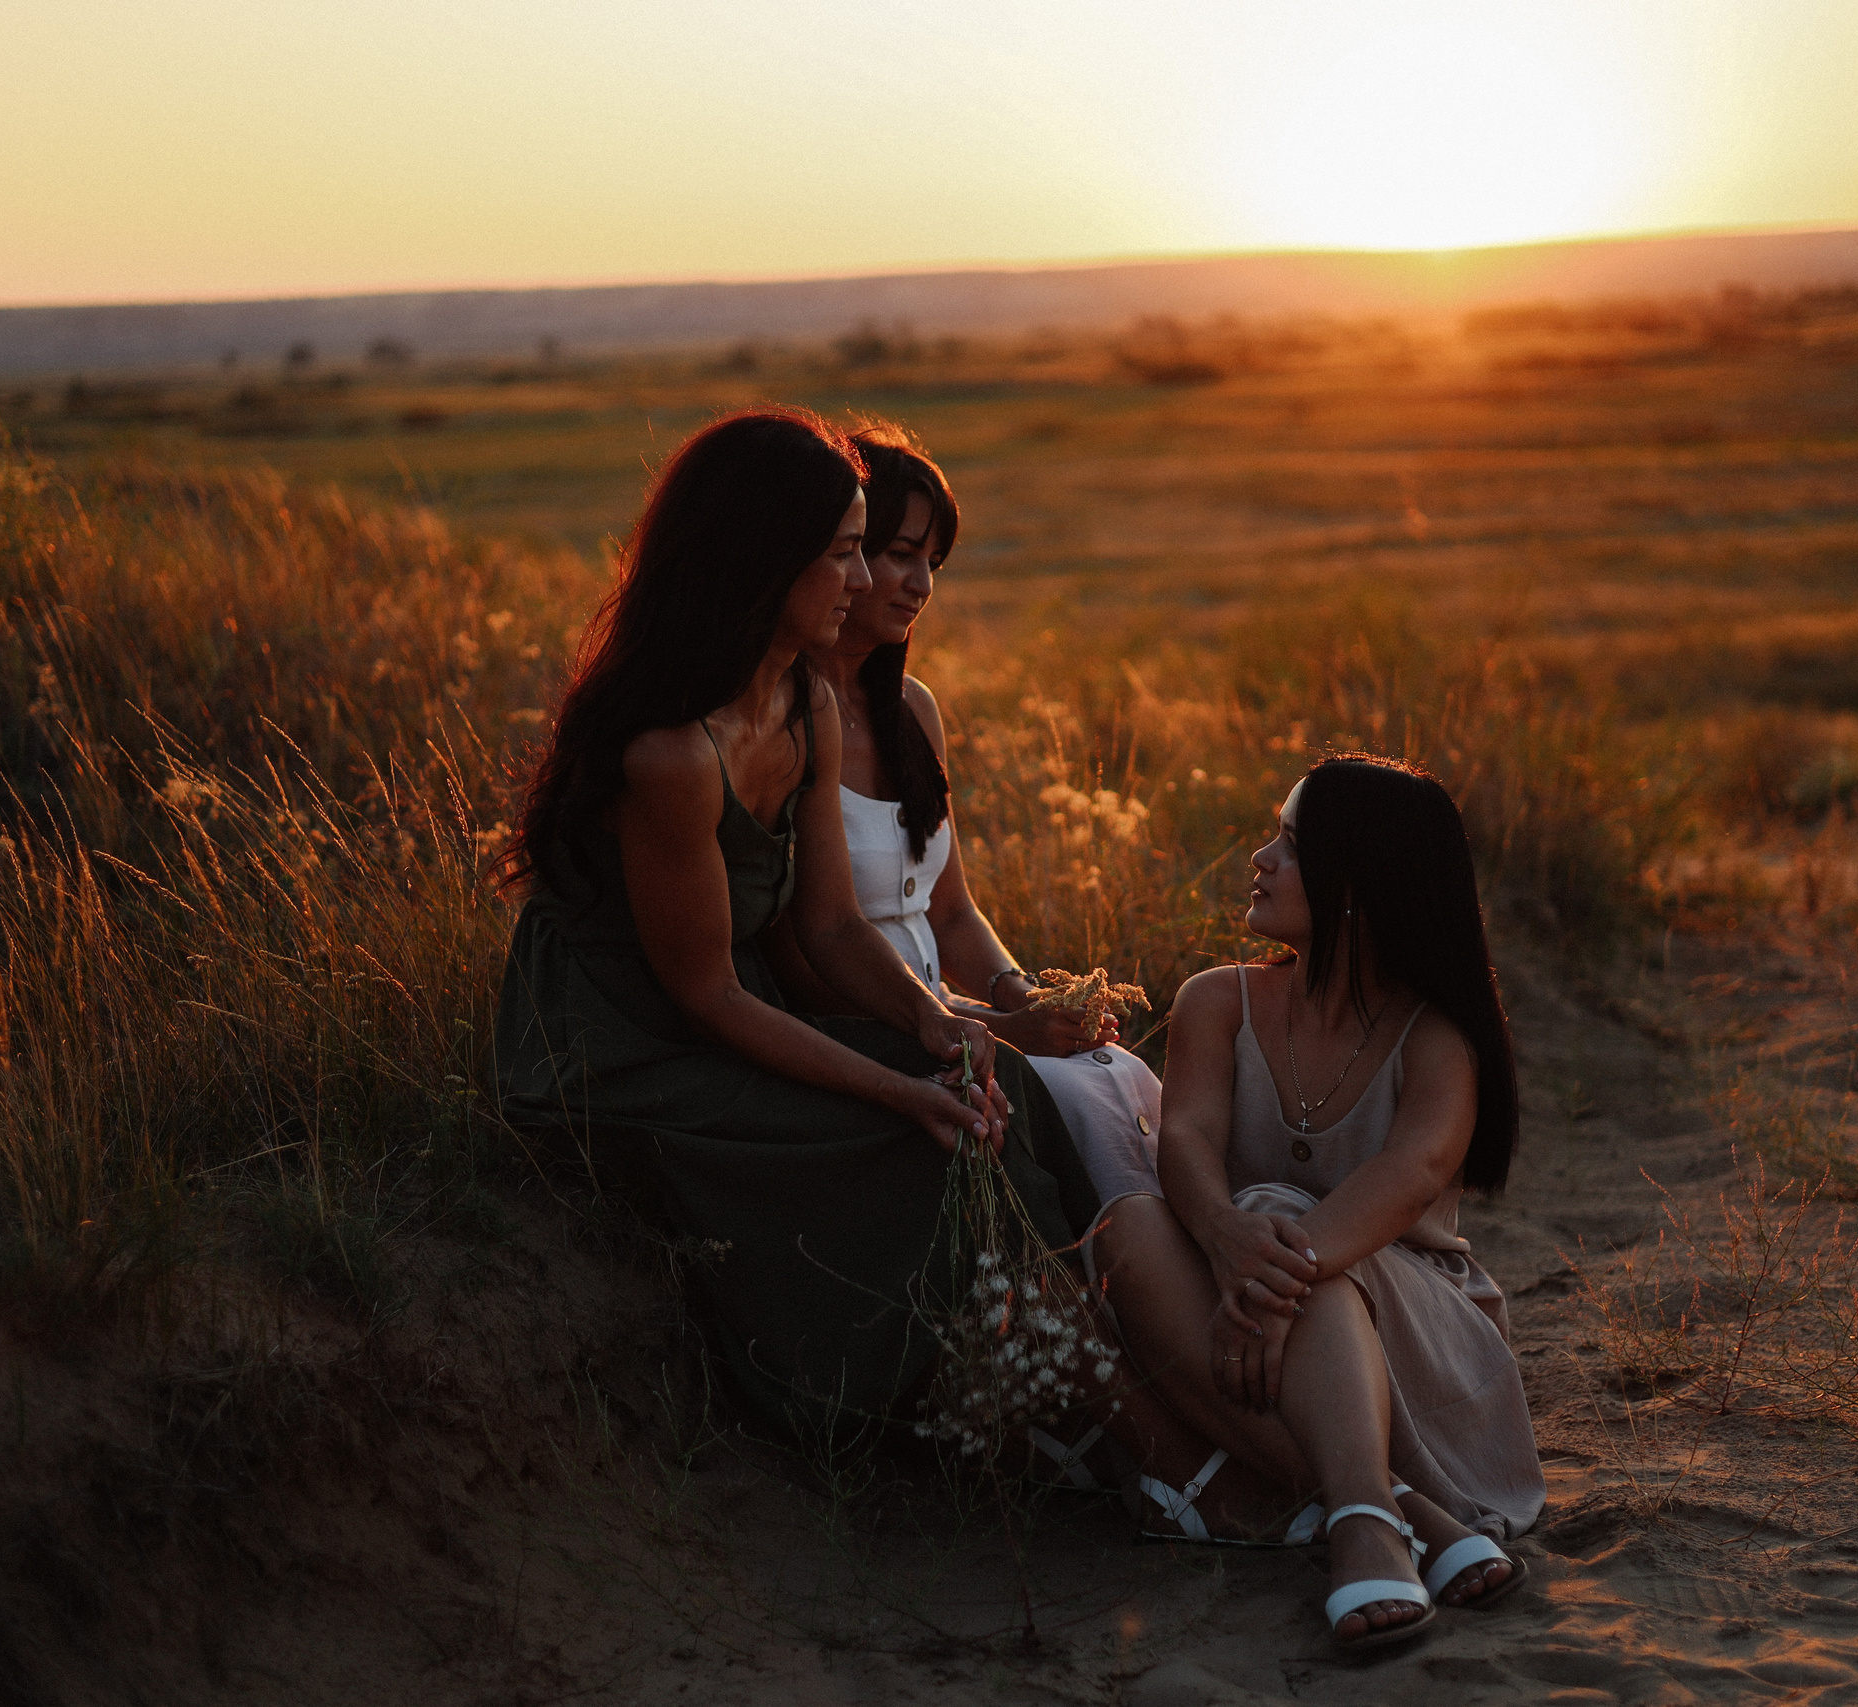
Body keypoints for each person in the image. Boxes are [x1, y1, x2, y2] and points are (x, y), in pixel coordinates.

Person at [488, 408, 1100, 1436]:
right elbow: (707, 996)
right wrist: (898, 1087)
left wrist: (935, 1024)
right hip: (620, 1045)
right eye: (846, 555)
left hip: (741, 1008)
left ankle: (1063, 1379)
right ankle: (904, 1409)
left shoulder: (803, 702)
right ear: (760, 564)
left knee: (1003, 1096)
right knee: (910, 1135)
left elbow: (828, 927)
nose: (865, 586)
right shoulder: (672, 754)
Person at [1098, 757, 1544, 1653]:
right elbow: (1182, 1140)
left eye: (1292, 847)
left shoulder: (1438, 1037)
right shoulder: (1216, 1001)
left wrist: (1267, 1271)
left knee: (1290, 1224)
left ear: (1357, 889)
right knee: (1126, 1231)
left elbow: (1408, 1179)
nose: (1260, 858)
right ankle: (1393, 1506)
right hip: (1253, 1312)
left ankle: (1366, 1523)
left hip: (1421, 1343)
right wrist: (1229, 1243)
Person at [769, 426, 1166, 1292]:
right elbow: (809, 955)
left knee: (1112, 1067)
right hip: (884, 1028)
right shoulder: (783, 725)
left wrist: (1025, 993)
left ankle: (1169, 1300)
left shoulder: (912, 708)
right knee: (1076, 1097)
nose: (916, 583)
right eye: (898, 553)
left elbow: (951, 912)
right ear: (845, 553)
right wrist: (995, 1033)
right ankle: (1110, 1323)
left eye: (935, 562)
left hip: (952, 1016)